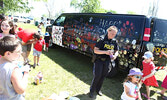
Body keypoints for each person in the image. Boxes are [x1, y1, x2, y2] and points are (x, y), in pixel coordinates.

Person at [89, 26, 119, 98]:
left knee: (103, 76)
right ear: (108, 31)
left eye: (115, 34)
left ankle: (98, 90)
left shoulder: (114, 41)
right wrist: (105, 52)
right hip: (99, 60)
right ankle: (92, 91)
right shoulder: (101, 39)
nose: (113, 35)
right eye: (112, 34)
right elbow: (95, 50)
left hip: (107, 61)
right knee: (97, 76)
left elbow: (117, 50)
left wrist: (115, 55)